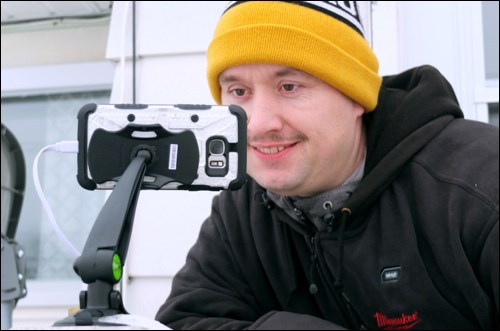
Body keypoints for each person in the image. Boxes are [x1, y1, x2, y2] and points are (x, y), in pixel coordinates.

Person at [155, 1, 499, 329]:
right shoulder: (243, 208)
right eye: (239, 92)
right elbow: (184, 321)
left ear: (356, 96)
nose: (258, 124)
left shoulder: (477, 192)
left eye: (289, 86)